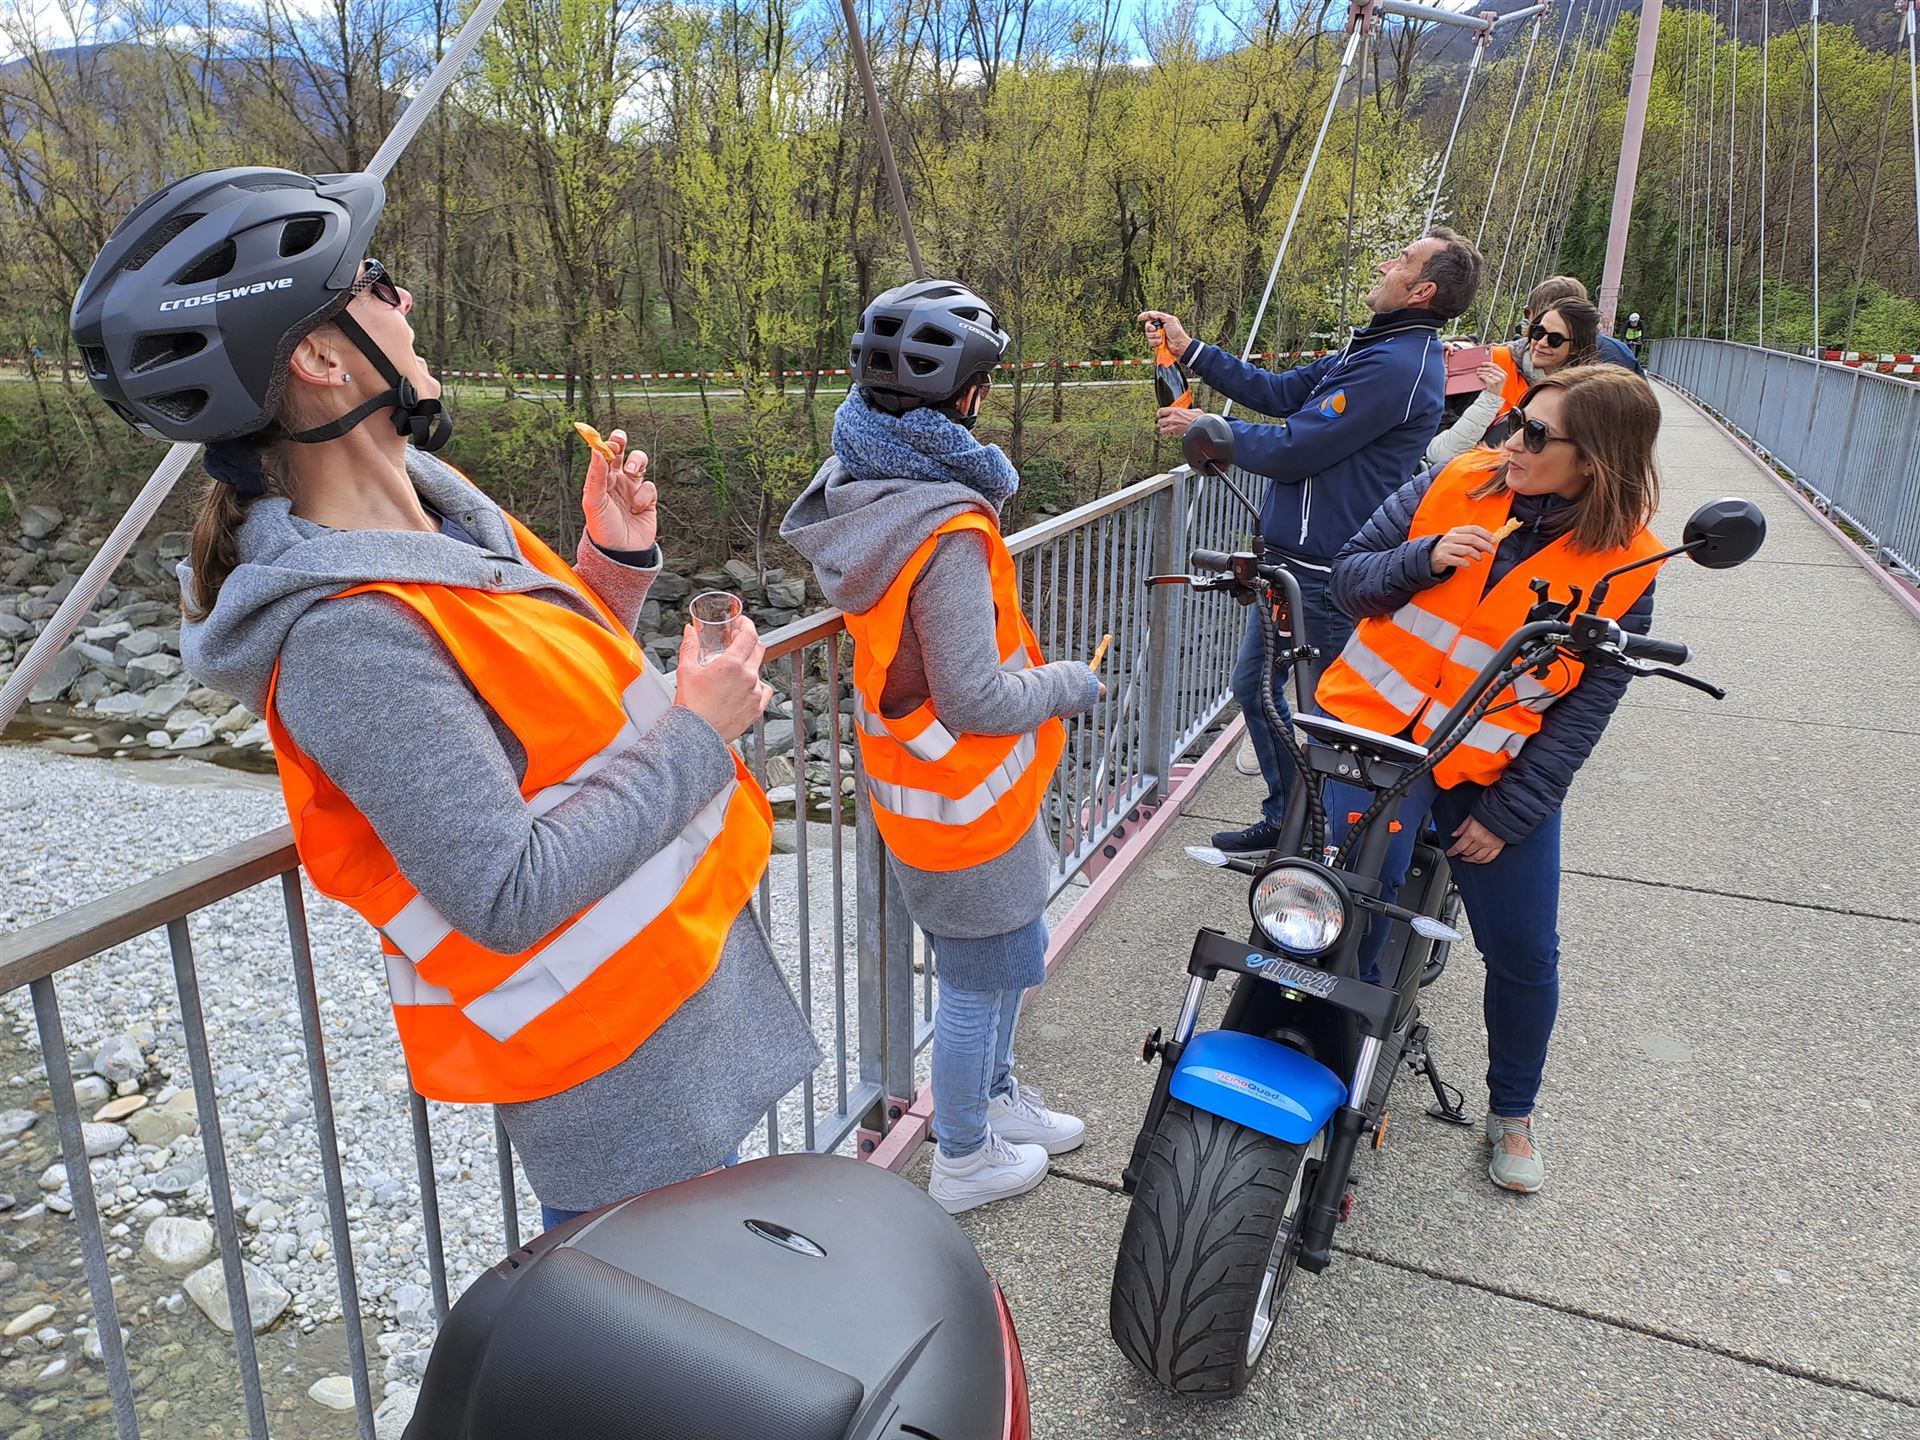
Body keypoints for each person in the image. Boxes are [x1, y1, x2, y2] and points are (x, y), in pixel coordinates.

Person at [71, 167, 818, 1231]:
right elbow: (502, 888)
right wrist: (702, 730)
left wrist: (609, 563)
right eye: (374, 281)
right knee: (668, 1352)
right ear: (322, 359)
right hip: (609, 1064)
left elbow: (535, 701)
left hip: (675, 988)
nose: (404, 300)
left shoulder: (438, 513)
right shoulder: (343, 634)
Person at [1314, 365, 1668, 1194]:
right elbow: (1348, 577)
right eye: (1517, 421)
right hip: (1377, 741)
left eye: (1539, 437)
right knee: (1352, 910)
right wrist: (1423, 558)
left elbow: (1584, 710)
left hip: (1488, 770)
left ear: (1597, 463)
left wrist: (1510, 814)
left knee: (1522, 949)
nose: (1513, 443)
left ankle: (1513, 1110)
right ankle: (1336, 1072)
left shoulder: (1627, 567)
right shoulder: (1456, 480)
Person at [782, 279, 1092, 1215]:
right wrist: (1071, 683)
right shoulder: (944, 527)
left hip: (925, 785)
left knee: (1005, 953)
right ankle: (962, 1154)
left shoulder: (865, 492)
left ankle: (996, 1101)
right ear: (967, 397)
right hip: (964, 796)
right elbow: (978, 696)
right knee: (971, 982)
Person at [1141, 227, 1485, 854]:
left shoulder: (1399, 366)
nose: (1386, 263)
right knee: (1257, 690)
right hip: (1291, 562)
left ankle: (1320, 838)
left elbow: (1299, 448)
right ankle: (1286, 817)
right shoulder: (1373, 351)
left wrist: (1210, 430)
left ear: (1423, 289)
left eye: (1401, 260)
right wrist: (1193, 353)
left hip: (1326, 571)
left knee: (1323, 715)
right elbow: (1281, 394)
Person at [1427, 296, 1600, 469]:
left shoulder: (1581, 399)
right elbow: (1439, 452)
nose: (1541, 343)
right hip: (1467, 479)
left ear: (1577, 346)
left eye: (1555, 339)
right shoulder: (1490, 363)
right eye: (1538, 332)